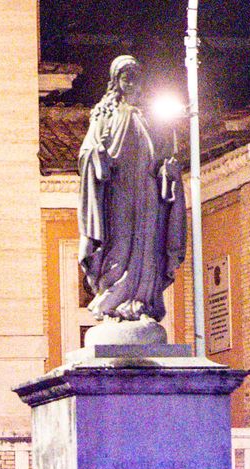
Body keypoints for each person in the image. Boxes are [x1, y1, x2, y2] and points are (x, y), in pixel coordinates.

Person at [77, 54, 186, 328]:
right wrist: (97, 155)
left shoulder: (155, 119)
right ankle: (112, 302)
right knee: (120, 245)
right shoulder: (105, 114)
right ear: (116, 82)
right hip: (119, 193)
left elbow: (166, 157)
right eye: (126, 77)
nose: (132, 82)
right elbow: (87, 153)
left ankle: (141, 303)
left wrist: (168, 172)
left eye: (135, 77)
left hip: (149, 193)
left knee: (148, 249)